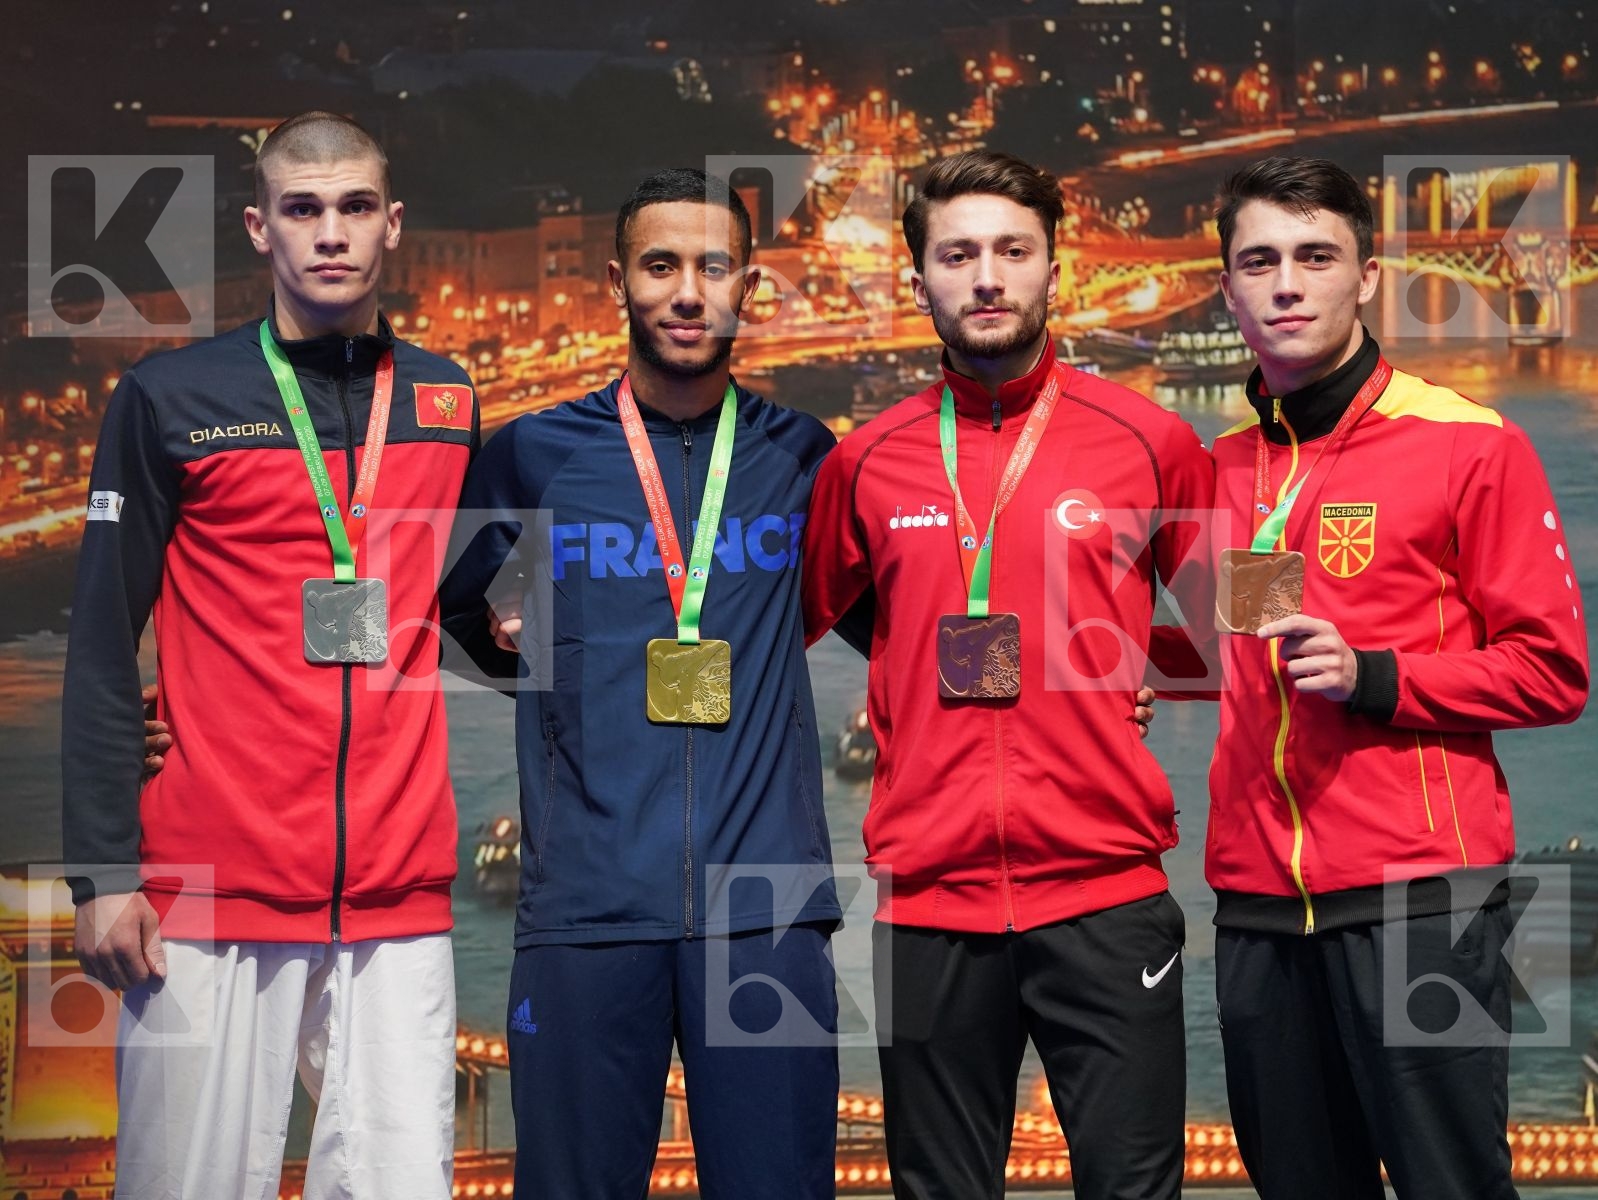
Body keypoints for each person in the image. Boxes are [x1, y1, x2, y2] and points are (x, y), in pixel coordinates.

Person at [61, 112, 474, 1199]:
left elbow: (472, 608)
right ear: (260, 228)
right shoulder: (168, 399)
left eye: (351, 210)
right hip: (205, 894)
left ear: (392, 225)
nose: (328, 234)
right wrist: (102, 876)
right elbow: (103, 641)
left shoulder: (449, 400)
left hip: (398, 897)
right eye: (301, 210)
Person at [801, 149, 1214, 1200]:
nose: (985, 276)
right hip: (929, 906)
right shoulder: (865, 460)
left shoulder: (1151, 439)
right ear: (920, 279)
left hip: (1104, 898)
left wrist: (1111, 661)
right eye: (957, 254)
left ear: (1050, 269)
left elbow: (1229, 633)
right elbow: (819, 618)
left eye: (1010, 251)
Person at [437, 168, 843, 1200]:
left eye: (712, 267)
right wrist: (556, 675)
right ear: (618, 281)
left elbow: (899, 613)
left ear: (749, 284)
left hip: (767, 905)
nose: (686, 292)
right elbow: (458, 611)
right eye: (660, 266)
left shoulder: (801, 457)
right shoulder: (531, 455)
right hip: (584, 904)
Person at [1206, 155, 1589, 1199]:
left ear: (1365, 276)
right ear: (1227, 286)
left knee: (1452, 1185)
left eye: (1314, 256)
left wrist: (1380, 679)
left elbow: (1554, 673)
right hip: (1253, 903)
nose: (1285, 283)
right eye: (1259, 261)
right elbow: (1225, 656)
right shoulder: (1223, 465)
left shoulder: (1469, 443)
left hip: (1425, 898)